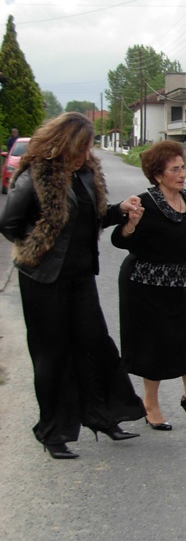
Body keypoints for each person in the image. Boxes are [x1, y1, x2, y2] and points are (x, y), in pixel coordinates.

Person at [0, 112, 145, 459]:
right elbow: (9, 224)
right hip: (43, 280)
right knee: (52, 356)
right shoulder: (36, 174)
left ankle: (102, 417)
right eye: (80, 148)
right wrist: (39, 248)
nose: (85, 154)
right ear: (63, 144)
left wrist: (121, 210)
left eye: (88, 147)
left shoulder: (86, 173)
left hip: (80, 277)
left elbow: (93, 218)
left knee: (95, 346)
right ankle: (52, 432)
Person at [111, 141, 186, 431]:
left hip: (174, 283)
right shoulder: (144, 203)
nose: (182, 173)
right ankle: (150, 404)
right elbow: (119, 239)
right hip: (143, 284)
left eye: (183, 167)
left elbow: (185, 236)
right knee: (153, 345)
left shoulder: (185, 200)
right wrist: (130, 225)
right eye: (175, 169)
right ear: (158, 175)